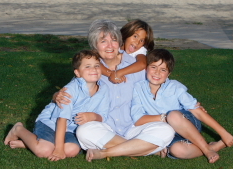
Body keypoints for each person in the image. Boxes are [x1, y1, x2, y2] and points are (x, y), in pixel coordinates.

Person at [54, 19, 175, 162]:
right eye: (103, 41)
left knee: (167, 130)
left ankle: (107, 151)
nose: (110, 46)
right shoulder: (91, 69)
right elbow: (72, 90)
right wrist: (56, 95)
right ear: (95, 46)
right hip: (106, 127)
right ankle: (144, 148)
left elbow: (163, 87)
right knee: (83, 131)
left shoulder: (137, 66)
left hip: (134, 126)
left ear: (119, 42)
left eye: (113, 40)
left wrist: (190, 105)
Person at [131, 49, 233, 163]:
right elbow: (138, 120)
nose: (157, 73)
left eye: (163, 70)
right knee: (177, 150)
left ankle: (206, 150)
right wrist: (165, 118)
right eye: (153, 67)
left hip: (187, 123)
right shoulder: (138, 88)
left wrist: (223, 133)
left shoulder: (175, 87)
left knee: (173, 116)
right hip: (167, 131)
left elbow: (197, 111)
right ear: (146, 68)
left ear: (168, 74)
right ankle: (213, 147)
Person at [4, 50, 110, 161]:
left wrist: (93, 116)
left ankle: (30, 143)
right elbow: (61, 120)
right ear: (77, 73)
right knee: (44, 151)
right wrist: (59, 149)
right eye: (87, 66)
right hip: (51, 123)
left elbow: (103, 115)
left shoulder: (104, 89)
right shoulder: (70, 90)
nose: (93, 69)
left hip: (72, 129)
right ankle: (18, 129)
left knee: (72, 150)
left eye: (97, 65)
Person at [100, 19, 154, 84]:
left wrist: (119, 73)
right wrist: (110, 74)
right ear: (127, 33)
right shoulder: (115, 44)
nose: (137, 42)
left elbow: (142, 64)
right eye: (135, 36)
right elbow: (94, 61)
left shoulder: (139, 51)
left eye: (142, 40)